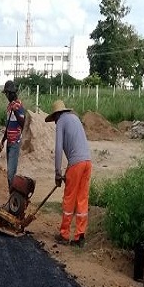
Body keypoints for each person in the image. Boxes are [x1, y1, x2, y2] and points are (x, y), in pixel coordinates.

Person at [45, 100, 92, 248]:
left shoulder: (61, 122)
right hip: (87, 162)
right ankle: (80, 236)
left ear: (56, 115)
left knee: (69, 199)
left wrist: (57, 173)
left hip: (76, 164)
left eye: (54, 119)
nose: (55, 122)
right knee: (82, 198)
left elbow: (59, 149)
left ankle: (64, 234)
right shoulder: (75, 118)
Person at [0, 80, 25, 189]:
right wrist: (3, 140)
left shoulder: (18, 105)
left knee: (11, 173)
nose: (6, 96)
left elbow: (23, 123)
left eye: (6, 93)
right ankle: (11, 193)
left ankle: (14, 194)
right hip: (9, 142)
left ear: (11, 93)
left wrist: (15, 111)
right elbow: (8, 125)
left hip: (15, 141)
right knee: (9, 173)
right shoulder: (9, 106)